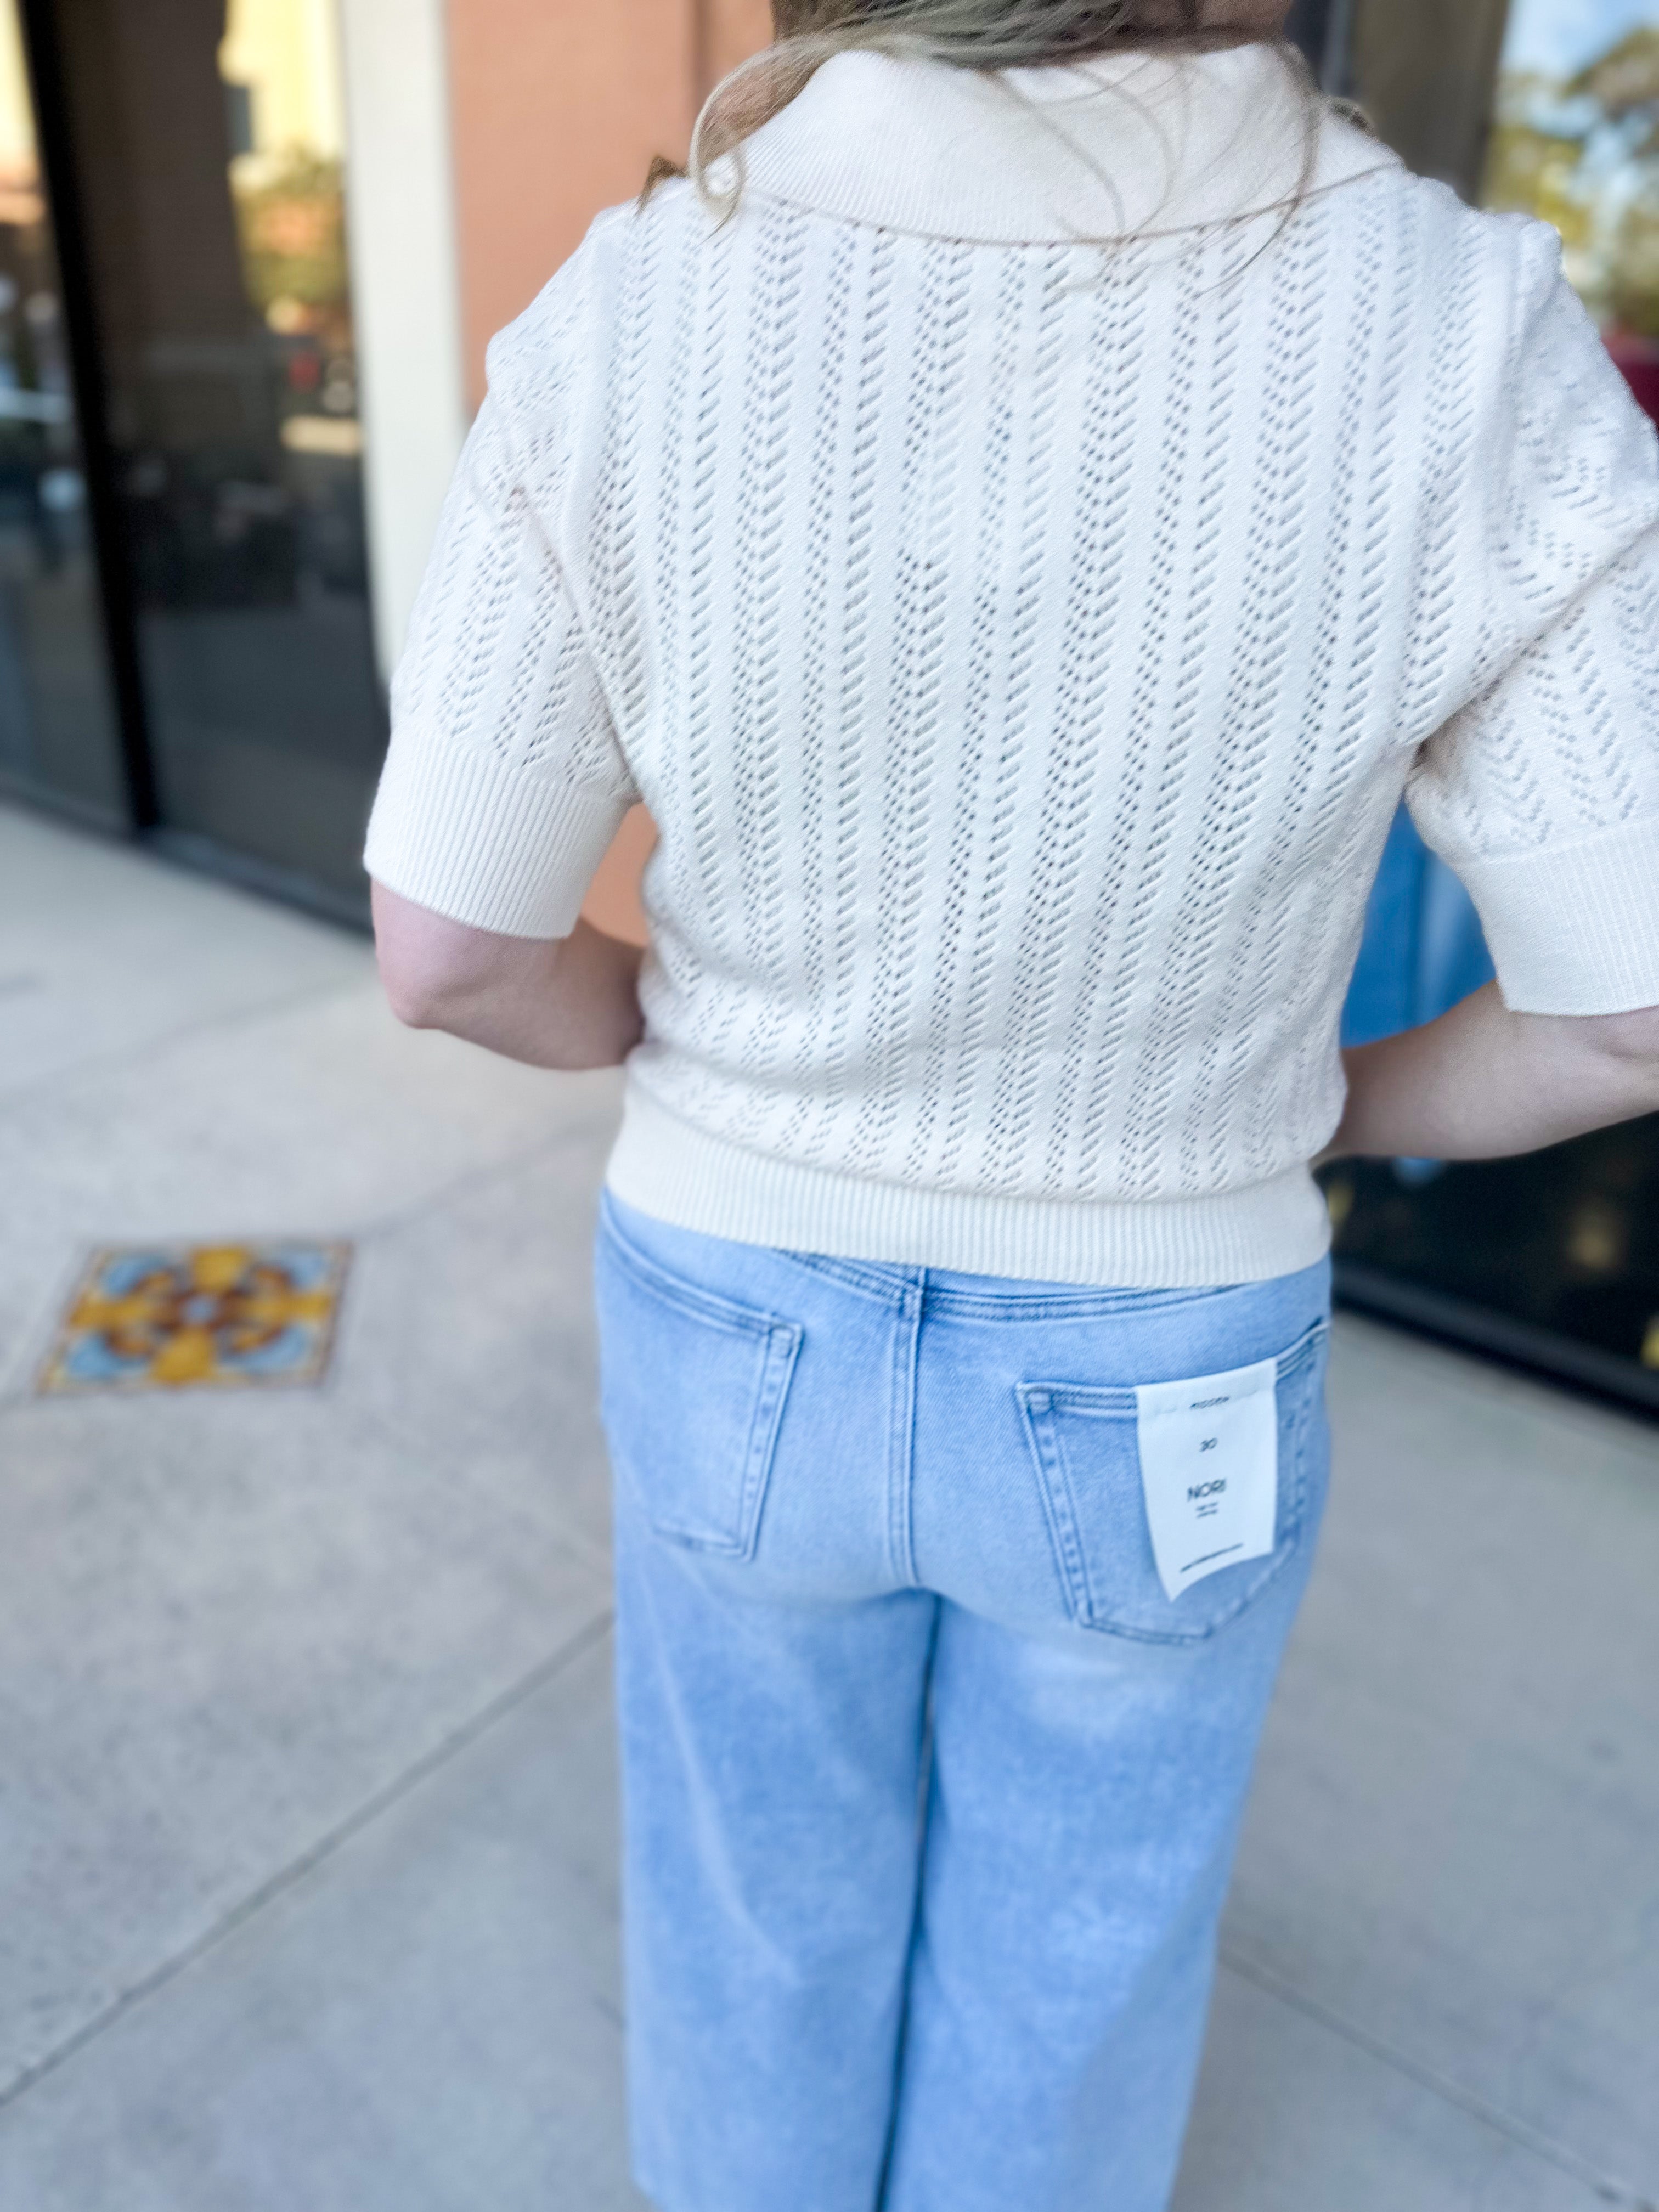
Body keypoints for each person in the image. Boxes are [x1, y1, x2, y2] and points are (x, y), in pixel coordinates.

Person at [365, 4, 1659, 2205]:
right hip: (1171, 1344)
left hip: (733, 1298)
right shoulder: (1464, 327)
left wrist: (710, 1048)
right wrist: (1314, 1106)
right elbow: (1633, 1011)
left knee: (752, 1924)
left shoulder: (646, 298)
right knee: (1079, 1959)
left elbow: (454, 948)